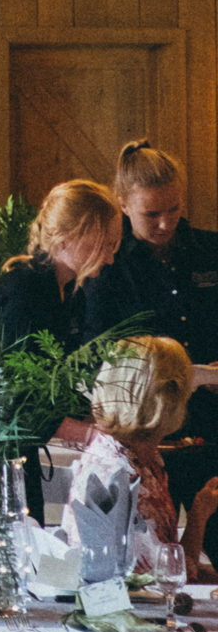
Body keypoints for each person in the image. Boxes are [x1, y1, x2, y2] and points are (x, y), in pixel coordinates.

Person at [0, 177, 123, 526]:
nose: (110, 258)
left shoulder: (69, 292)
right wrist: (94, 435)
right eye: (105, 245)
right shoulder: (24, 296)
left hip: (16, 451)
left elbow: (52, 388)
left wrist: (100, 417)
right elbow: (16, 400)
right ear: (66, 237)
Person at [84, 139, 218, 526]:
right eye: (152, 214)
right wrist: (195, 374)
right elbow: (101, 356)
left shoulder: (210, 251)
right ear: (123, 204)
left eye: (174, 209)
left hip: (210, 430)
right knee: (149, 555)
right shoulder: (108, 265)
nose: (165, 223)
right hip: (144, 436)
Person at [69, 337, 218, 579]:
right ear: (167, 399)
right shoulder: (119, 472)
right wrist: (199, 516)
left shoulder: (141, 454)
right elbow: (157, 584)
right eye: (187, 388)